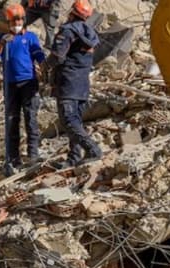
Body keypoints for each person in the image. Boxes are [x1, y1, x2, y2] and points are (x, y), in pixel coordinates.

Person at [0, 3, 46, 174]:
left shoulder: (30, 37)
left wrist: (45, 68)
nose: (17, 23)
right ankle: (13, 158)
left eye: (20, 19)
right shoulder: (3, 38)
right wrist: (0, 46)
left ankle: (33, 154)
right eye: (14, 20)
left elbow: (39, 56)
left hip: (28, 83)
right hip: (10, 84)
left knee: (31, 118)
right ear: (8, 22)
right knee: (12, 120)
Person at [47, 0, 103, 168]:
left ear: (72, 12)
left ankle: (93, 149)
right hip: (82, 85)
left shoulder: (68, 31)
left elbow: (57, 57)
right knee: (76, 121)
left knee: (69, 121)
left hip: (67, 83)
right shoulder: (91, 34)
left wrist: (44, 66)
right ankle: (73, 158)